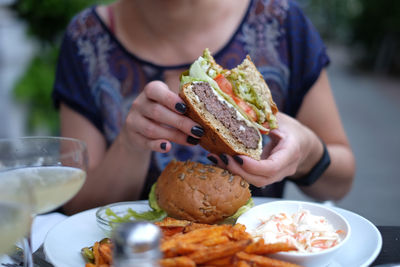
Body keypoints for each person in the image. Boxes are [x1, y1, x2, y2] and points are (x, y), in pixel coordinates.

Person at [53, 0, 355, 215]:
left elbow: (341, 182)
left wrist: (307, 153)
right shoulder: (85, 39)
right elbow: (78, 209)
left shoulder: (281, 23)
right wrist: (132, 144)